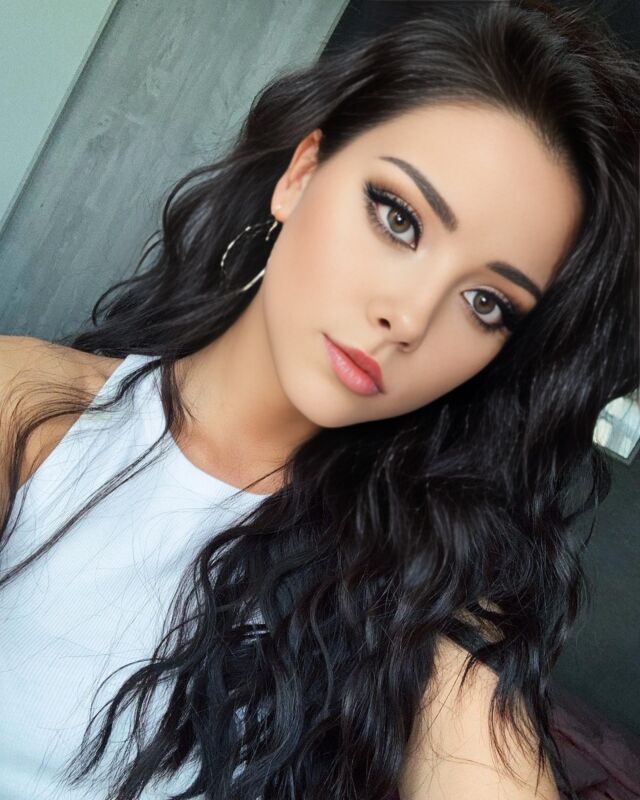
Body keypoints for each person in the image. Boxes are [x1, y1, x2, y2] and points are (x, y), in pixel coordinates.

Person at [0, 0, 638, 798]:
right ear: (300, 176)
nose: (409, 319)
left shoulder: (416, 600)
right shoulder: (31, 409)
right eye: (398, 218)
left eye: (486, 303)